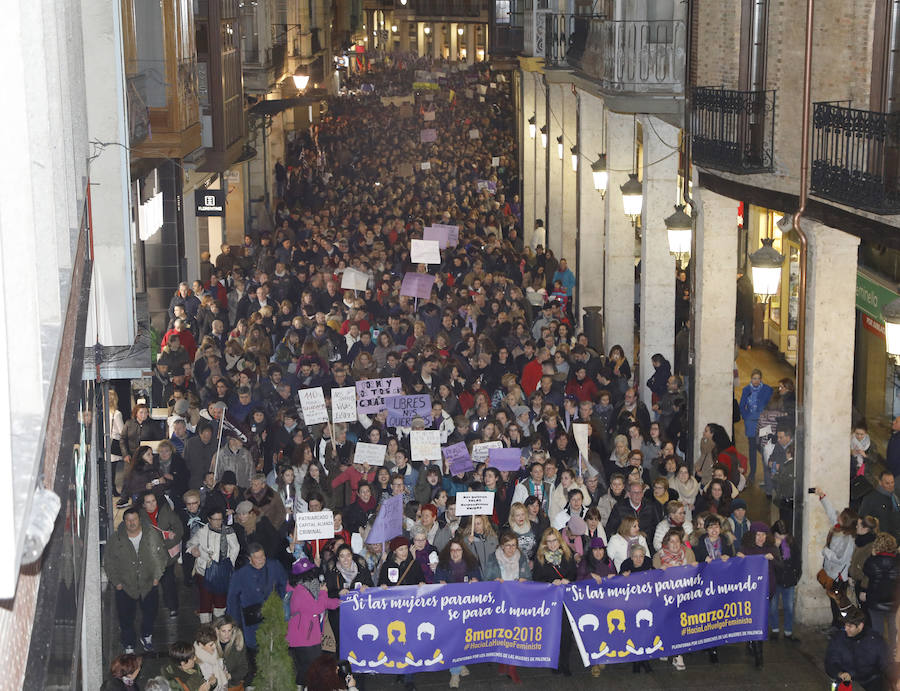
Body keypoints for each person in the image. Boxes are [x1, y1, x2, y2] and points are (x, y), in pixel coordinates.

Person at [104, 507, 167, 653]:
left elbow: (161, 556)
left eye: (135, 519)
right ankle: (129, 643)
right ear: (124, 522)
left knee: (150, 613)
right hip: (125, 586)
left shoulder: (151, 535)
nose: (132, 523)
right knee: (126, 617)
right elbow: (109, 562)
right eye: (128, 520)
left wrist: (157, 576)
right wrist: (116, 582)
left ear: (140, 520)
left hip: (149, 583)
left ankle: (147, 636)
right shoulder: (116, 539)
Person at [226, 543, 287, 664]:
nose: (261, 560)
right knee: (255, 651)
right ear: (249, 559)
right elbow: (232, 600)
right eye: (257, 558)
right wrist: (234, 623)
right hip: (251, 620)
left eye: (262, 556)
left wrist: (278, 601)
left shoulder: (274, 566)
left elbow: (284, 584)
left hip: (272, 615)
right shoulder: (240, 575)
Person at [286, 556, 341, 688]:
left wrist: (341, 601)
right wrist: (323, 593)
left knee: (308, 667)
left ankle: (302, 686)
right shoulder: (299, 591)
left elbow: (323, 603)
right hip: (304, 636)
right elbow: (317, 607)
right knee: (310, 668)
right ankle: (303, 687)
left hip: (307, 635)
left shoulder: (308, 587)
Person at [531, 528, 576, 676]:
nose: (552, 544)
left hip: (565, 600)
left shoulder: (567, 554)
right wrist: (551, 582)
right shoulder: (540, 558)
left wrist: (567, 580)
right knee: (553, 633)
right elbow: (537, 579)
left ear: (559, 540)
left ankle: (566, 663)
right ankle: (555, 662)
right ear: (544, 543)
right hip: (549, 601)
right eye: (548, 541)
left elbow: (574, 574)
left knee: (566, 634)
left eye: (554, 540)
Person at [188, 507, 240, 623]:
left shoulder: (228, 531)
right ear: (209, 519)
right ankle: (205, 629)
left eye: (220, 519)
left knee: (220, 599)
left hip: (222, 571)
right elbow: (190, 543)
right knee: (205, 600)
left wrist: (229, 563)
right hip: (204, 570)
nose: (218, 522)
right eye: (215, 519)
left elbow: (235, 547)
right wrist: (193, 549)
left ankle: (219, 624)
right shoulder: (202, 531)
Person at [816, 487, 858, 630]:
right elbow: (831, 512)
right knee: (835, 604)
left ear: (845, 521)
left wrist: (825, 551)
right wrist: (823, 497)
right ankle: (837, 626)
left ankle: (841, 629)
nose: (838, 515)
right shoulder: (839, 527)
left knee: (839, 606)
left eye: (841, 515)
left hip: (838, 578)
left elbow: (840, 559)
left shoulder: (848, 539)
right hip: (832, 574)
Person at [140, 491, 183, 619]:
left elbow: (178, 528)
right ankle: (149, 609)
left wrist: (170, 540)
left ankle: (172, 607)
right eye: (148, 502)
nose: (152, 504)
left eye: (153, 501)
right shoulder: (140, 517)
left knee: (168, 581)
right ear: (143, 505)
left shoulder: (166, 512)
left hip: (166, 556)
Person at [825, 606, 888, 691]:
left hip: (870, 682)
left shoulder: (875, 640)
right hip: (847, 682)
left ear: (860, 626)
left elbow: (886, 663)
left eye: (850, 626)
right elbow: (830, 661)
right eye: (845, 625)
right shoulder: (838, 639)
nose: (846, 629)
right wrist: (840, 673)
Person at [862, 532, 900, 647]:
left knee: (877, 630)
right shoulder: (898, 561)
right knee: (894, 630)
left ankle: (878, 656)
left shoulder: (872, 561)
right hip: (894, 601)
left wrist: (872, 555)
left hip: (875, 601)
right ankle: (894, 653)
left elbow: (865, 571)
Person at [739, 369, 773, 485]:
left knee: (763, 447)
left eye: (758, 378)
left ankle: (768, 473)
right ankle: (752, 473)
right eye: (754, 378)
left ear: (761, 379)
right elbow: (742, 405)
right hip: (751, 423)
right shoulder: (746, 390)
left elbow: (772, 403)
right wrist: (747, 416)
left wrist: (767, 415)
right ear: (751, 379)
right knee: (752, 447)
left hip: (764, 423)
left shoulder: (767, 389)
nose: (756, 381)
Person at [858, 471, 900, 541]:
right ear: (880, 483)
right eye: (887, 483)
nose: (891, 485)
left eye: (892, 482)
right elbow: (862, 518)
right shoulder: (870, 498)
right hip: (881, 538)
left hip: (895, 537)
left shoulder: (896, 495)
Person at [214, 614, 249, 690]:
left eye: (229, 630)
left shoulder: (238, 644)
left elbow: (244, 667)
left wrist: (230, 675)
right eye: (223, 631)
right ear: (217, 630)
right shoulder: (210, 644)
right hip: (215, 685)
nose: (227, 635)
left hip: (233, 684)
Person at [194, 624, 230, 689]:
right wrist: (210, 682)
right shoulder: (196, 662)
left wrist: (226, 674)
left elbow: (223, 668)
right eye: (211, 645)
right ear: (201, 645)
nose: (214, 646)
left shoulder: (215, 653)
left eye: (215, 643)